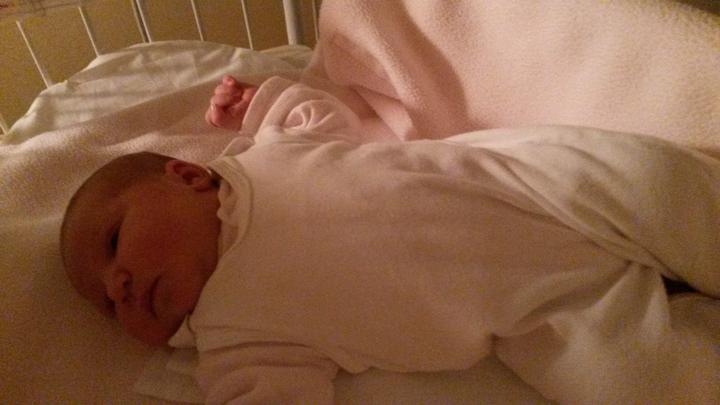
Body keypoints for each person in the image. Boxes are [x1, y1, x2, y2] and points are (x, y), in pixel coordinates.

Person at [60, 75, 720, 404]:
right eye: (107, 305)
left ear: (186, 176)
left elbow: (315, 113)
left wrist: (259, 102)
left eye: (114, 241)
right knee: (640, 377)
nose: (118, 286)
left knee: (659, 183)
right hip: (537, 310)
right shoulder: (234, 337)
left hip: (517, 182)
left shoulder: (267, 160)